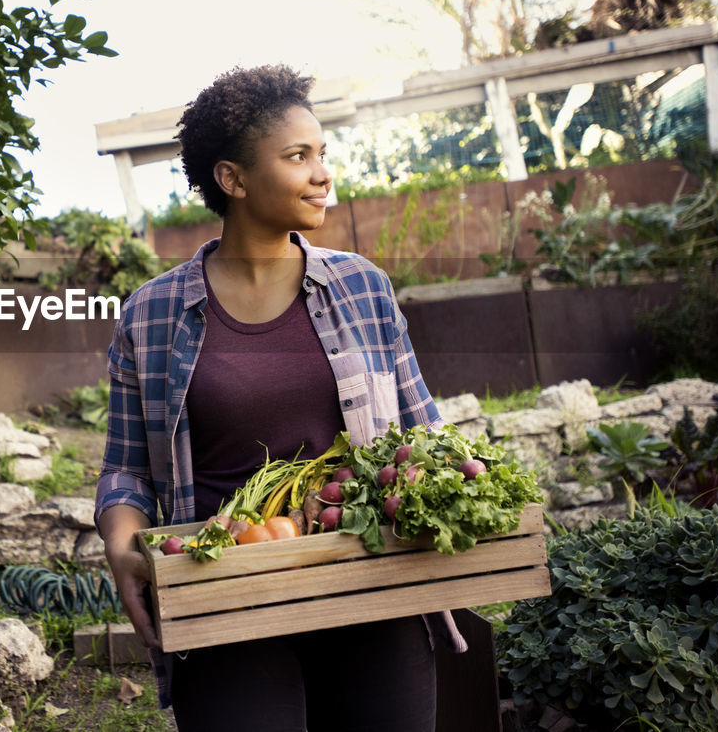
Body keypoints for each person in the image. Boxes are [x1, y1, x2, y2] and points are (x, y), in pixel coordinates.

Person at [94, 65, 460, 731]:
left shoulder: (361, 288)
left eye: (321, 153)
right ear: (233, 179)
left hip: (368, 580)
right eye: (298, 157)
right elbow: (125, 470)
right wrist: (123, 546)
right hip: (223, 594)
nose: (322, 173)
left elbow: (422, 429)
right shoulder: (151, 314)